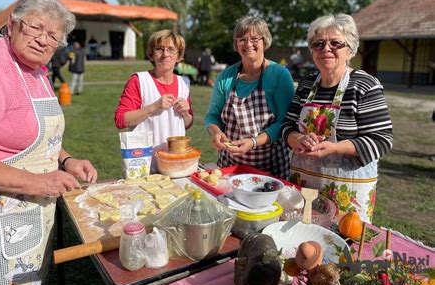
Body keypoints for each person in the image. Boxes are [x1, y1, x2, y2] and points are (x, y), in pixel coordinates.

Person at [0, 0, 98, 285]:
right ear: (11, 25)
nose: (42, 40)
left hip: (27, 215)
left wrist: (66, 159)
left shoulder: (36, 71)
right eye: (35, 27)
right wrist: (39, 183)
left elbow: (34, 137)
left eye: (53, 36)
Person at [281, 14, 393, 223]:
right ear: (312, 51)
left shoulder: (364, 85)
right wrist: (297, 139)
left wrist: (335, 148)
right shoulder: (305, 85)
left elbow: (382, 139)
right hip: (305, 189)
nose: (326, 49)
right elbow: (287, 125)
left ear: (349, 49)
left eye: (335, 43)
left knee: (340, 247)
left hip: (348, 196)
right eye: (319, 43)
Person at [205, 16, 295, 178]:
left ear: (264, 41)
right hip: (230, 166)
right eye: (242, 39)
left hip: (270, 169)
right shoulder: (225, 77)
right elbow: (212, 115)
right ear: (236, 44)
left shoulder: (279, 75)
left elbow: (284, 121)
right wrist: (216, 133)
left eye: (254, 39)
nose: (248, 44)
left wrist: (253, 142)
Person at [115, 30, 193, 169]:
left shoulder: (184, 82)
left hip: (175, 161)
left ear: (179, 56)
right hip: (145, 163)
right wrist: (154, 107)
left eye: (171, 50)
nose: (165, 55)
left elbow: (186, 124)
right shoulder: (139, 80)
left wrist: (186, 113)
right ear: (151, 54)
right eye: (159, 49)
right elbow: (121, 120)